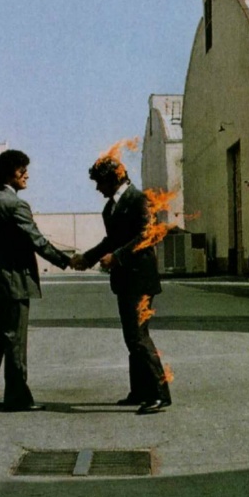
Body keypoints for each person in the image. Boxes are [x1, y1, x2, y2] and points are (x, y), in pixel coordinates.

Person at [0, 149, 72, 412]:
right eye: (21, 170)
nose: (27, 175)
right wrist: (67, 260)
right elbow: (36, 240)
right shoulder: (15, 205)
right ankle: (17, 397)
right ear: (8, 174)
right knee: (14, 339)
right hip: (14, 283)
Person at [71, 156, 172, 415]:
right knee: (131, 338)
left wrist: (117, 257)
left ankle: (159, 394)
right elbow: (110, 240)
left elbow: (148, 236)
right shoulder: (110, 208)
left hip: (141, 280)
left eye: (100, 182)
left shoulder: (140, 200)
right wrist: (88, 258)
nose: (97, 188)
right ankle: (139, 391)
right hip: (125, 281)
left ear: (114, 179)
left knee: (138, 336)